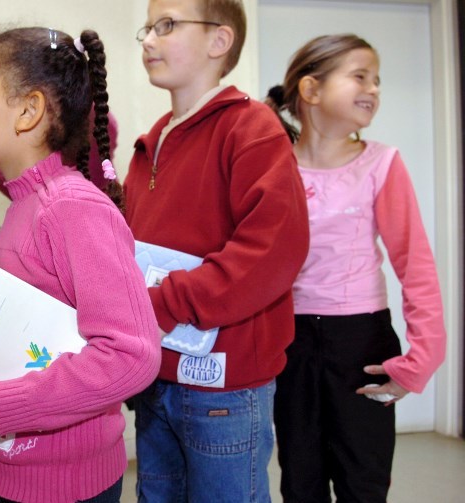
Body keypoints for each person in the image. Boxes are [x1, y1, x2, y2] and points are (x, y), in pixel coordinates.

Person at [0, 27, 162, 503]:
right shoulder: (26, 203)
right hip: (6, 469)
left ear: (29, 111)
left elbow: (133, 355)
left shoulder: (73, 208)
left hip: (63, 487)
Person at [124, 0, 310, 501]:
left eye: (166, 26)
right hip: (155, 375)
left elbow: (271, 252)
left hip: (225, 390)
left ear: (218, 40)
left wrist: (158, 303)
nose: (148, 39)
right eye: (147, 28)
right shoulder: (151, 143)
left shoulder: (252, 129)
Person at [266, 33, 447, 502]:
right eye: (360, 76)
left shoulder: (382, 163)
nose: (374, 89)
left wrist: (421, 359)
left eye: (378, 80)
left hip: (362, 341)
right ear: (311, 91)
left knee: (362, 482)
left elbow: (416, 264)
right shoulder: (274, 167)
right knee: (300, 480)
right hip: (292, 341)